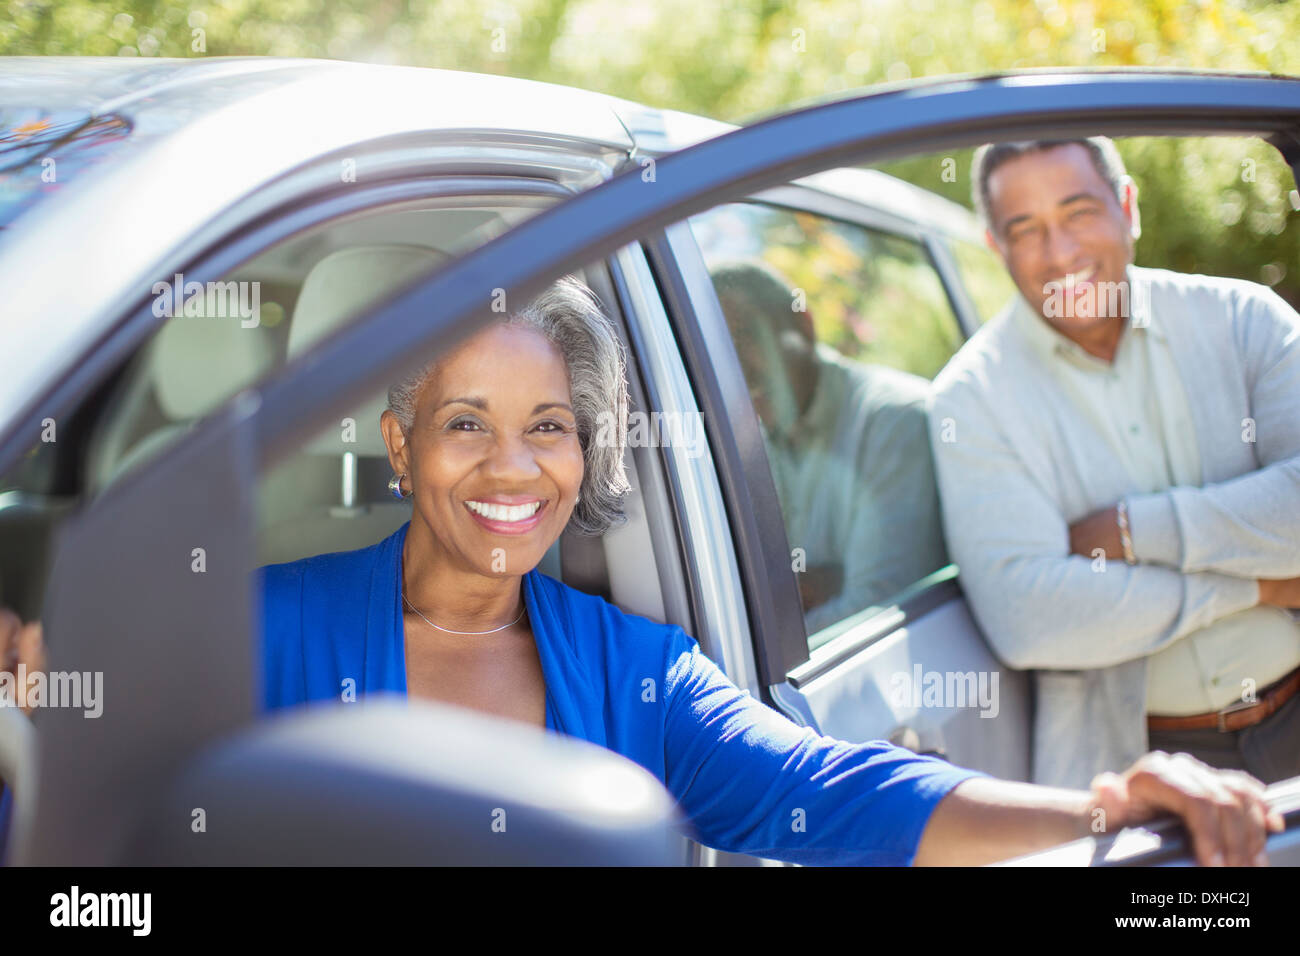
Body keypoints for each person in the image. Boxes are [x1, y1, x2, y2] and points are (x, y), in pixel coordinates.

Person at [1, 276, 1286, 866]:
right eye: (466, 424)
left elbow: (842, 793)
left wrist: (1107, 806)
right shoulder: (246, 627)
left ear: (586, 450)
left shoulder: (638, 672)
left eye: (548, 425)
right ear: (399, 445)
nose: (513, 468)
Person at [928, 136, 1300, 791]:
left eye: (1079, 213)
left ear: (1127, 207)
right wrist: (1259, 587)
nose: (1061, 252)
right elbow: (1029, 617)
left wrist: (1131, 531)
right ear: (997, 247)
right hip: (1139, 772)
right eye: (1027, 229)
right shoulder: (972, 399)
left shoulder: (1246, 322)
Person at [709, 260, 948, 635]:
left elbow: (877, 613)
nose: (737, 368)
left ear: (804, 324)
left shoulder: (895, 422)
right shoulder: (742, 441)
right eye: (719, 350)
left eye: (747, 336)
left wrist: (766, 637)